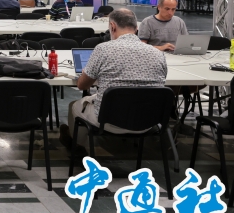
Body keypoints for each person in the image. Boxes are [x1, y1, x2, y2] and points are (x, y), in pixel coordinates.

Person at [59, 9, 167, 150]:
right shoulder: (157, 53)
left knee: (74, 105)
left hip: (110, 121)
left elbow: (82, 85)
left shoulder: (103, 49)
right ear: (136, 28)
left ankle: (78, 147)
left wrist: (88, 74)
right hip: (147, 121)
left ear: (112, 26)